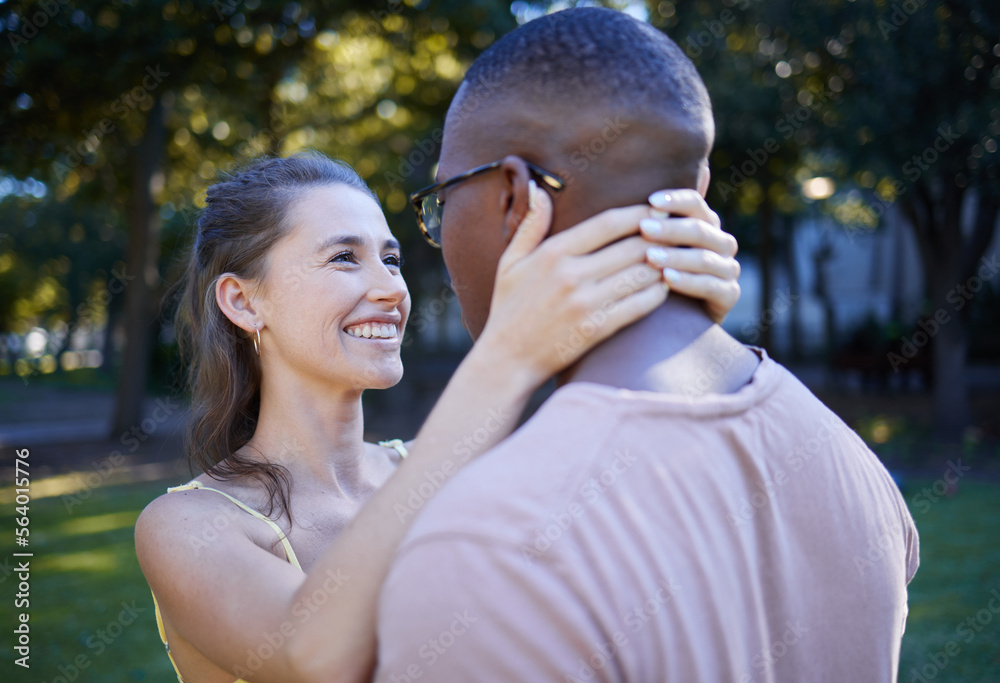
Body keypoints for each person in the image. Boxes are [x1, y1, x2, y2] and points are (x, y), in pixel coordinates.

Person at [370, 8, 920, 683]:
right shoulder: (853, 463)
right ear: (698, 194)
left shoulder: (487, 548)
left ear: (516, 197)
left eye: (442, 196)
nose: (435, 229)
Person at [134, 150, 743, 683]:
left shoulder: (453, 470)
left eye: (392, 260)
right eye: (344, 257)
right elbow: (315, 659)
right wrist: (509, 354)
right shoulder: (187, 526)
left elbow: (647, 537)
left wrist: (678, 317)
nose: (391, 289)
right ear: (243, 300)